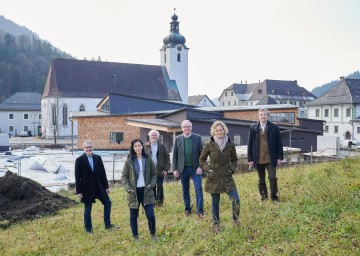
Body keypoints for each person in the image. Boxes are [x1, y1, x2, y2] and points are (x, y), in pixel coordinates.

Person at [199, 121, 240, 233]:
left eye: (220, 129)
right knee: (215, 202)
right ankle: (216, 224)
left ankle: (236, 221)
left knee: (236, 199)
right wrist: (208, 169)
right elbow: (202, 159)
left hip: (227, 176)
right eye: (216, 130)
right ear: (214, 131)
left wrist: (231, 169)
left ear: (224, 130)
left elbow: (235, 160)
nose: (219, 132)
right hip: (214, 177)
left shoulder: (230, 144)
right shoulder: (209, 144)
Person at [75, 140, 118, 233]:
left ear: (93, 147)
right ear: (83, 148)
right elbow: (77, 177)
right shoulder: (79, 160)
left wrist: (106, 187)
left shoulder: (98, 158)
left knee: (108, 203)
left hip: (99, 187)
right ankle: (89, 230)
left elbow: (103, 173)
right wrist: (79, 191)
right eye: (86, 147)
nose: (88, 149)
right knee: (87, 209)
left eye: (90, 147)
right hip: (86, 189)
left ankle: (108, 224)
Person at [122, 139, 157, 242]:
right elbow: (124, 177)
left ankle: (153, 234)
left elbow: (154, 174)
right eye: (135, 146)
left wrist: (152, 184)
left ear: (143, 146)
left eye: (139, 145)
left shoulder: (148, 159)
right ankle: (136, 236)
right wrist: (128, 188)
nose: (138, 148)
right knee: (133, 215)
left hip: (147, 190)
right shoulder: (129, 161)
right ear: (133, 148)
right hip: (134, 192)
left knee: (150, 214)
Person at [247, 108, 283, 203]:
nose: (263, 116)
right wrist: (250, 159)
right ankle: (264, 198)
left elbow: (279, 143)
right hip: (258, 158)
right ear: (258, 116)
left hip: (271, 158)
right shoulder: (253, 128)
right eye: (261, 114)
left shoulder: (274, 127)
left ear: (268, 116)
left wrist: (279, 157)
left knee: (272, 178)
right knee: (261, 179)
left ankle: (274, 198)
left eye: (264, 114)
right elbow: (250, 144)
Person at [172, 120, 204, 218]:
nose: (187, 128)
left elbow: (202, 155)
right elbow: (175, 156)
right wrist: (175, 169)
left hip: (195, 169)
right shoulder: (177, 139)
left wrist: (200, 166)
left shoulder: (197, 138)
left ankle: (200, 211)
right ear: (182, 128)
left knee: (198, 188)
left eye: (188, 126)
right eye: (185, 127)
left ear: (191, 127)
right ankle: (187, 210)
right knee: (185, 190)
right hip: (183, 169)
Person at [144, 129, 171, 207]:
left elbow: (167, 158)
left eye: (155, 135)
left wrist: (166, 169)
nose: (153, 137)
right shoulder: (145, 146)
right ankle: (153, 203)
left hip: (160, 171)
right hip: (149, 172)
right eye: (152, 135)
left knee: (160, 186)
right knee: (151, 187)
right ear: (149, 136)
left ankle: (160, 202)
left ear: (158, 137)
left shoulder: (162, 146)